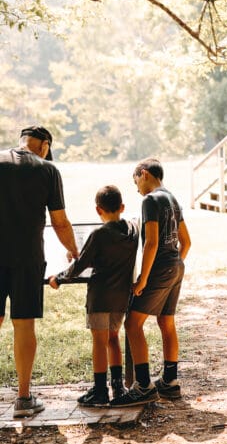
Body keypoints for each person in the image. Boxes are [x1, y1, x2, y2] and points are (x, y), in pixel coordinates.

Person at [0, 125, 79, 418]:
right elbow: (59, 221)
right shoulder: (47, 169)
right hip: (27, 258)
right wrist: (74, 250)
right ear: (44, 145)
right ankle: (23, 398)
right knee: (23, 324)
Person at [48, 185, 138, 407]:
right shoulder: (132, 230)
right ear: (122, 207)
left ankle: (99, 390)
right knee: (113, 338)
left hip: (100, 296)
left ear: (98, 210)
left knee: (99, 341)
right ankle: (117, 386)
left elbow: (80, 265)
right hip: (121, 296)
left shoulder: (98, 234)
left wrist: (58, 278)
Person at [112, 158, 191, 406]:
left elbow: (152, 242)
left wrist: (143, 278)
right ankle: (169, 382)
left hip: (159, 269)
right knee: (166, 321)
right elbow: (186, 242)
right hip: (177, 265)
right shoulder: (173, 199)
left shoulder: (150, 200)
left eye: (136, 181)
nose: (136, 188)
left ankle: (144, 385)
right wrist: (173, 265)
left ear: (144, 174)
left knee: (132, 324)